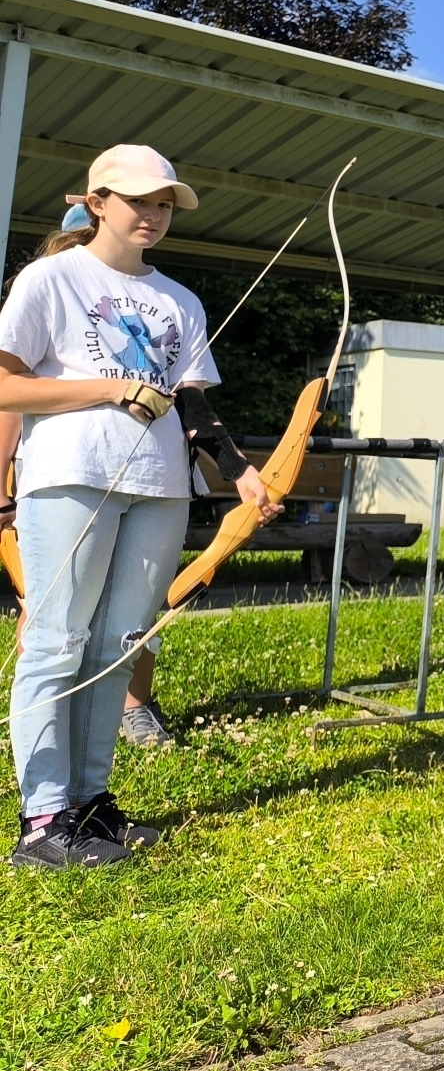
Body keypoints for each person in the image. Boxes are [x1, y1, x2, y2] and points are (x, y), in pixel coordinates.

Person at [0, 146, 279, 870]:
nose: (153, 215)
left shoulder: (180, 301)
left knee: (118, 645)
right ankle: (43, 817)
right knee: (57, 640)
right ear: (97, 203)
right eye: (139, 202)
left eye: (164, 204)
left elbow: (194, 405)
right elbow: (7, 388)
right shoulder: (50, 279)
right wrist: (107, 389)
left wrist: (239, 472)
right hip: (70, 477)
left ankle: (91, 806)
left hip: (159, 490)